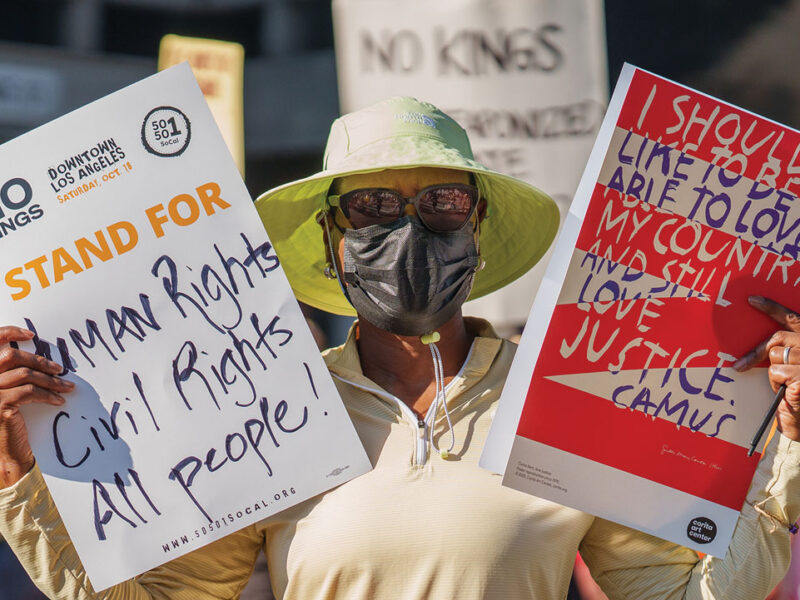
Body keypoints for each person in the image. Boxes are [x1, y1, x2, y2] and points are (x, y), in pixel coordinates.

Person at [0, 96, 799, 599]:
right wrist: (17, 478)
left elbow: (680, 596)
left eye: (442, 204)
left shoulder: (564, 401)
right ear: (331, 237)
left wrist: (792, 445)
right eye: (373, 206)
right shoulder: (269, 408)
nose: (409, 231)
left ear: (478, 229)